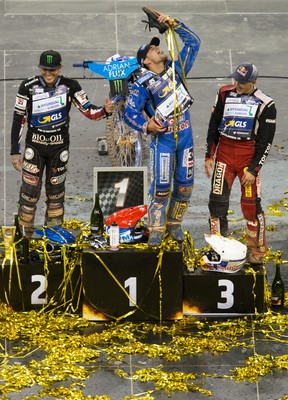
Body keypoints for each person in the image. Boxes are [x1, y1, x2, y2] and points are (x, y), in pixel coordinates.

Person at [11, 50, 114, 237]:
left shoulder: (71, 86)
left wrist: (104, 111)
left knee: (56, 195)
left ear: (60, 68)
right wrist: (14, 152)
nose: (48, 74)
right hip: (34, 147)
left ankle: (53, 237)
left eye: (53, 69)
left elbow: (88, 110)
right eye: (45, 69)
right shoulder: (27, 86)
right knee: (28, 194)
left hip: (59, 149)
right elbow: (19, 120)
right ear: (39, 68)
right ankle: (24, 239)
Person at [124, 12, 201, 246]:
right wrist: (147, 125)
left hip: (186, 138)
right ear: (145, 61)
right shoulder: (141, 85)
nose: (157, 48)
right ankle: (156, 227)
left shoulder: (177, 69)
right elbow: (130, 114)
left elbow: (194, 42)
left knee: (185, 187)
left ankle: (175, 223)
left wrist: (174, 24)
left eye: (157, 46)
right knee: (161, 188)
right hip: (164, 142)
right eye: (152, 49)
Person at [204, 63, 277, 264]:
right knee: (216, 205)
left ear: (253, 82)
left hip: (247, 159)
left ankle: (257, 251)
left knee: (251, 208)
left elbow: (265, 142)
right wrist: (209, 156)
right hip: (224, 157)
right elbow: (213, 124)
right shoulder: (223, 93)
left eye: (243, 82)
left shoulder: (266, 104)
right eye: (236, 79)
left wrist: (254, 169)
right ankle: (219, 250)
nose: (237, 84)